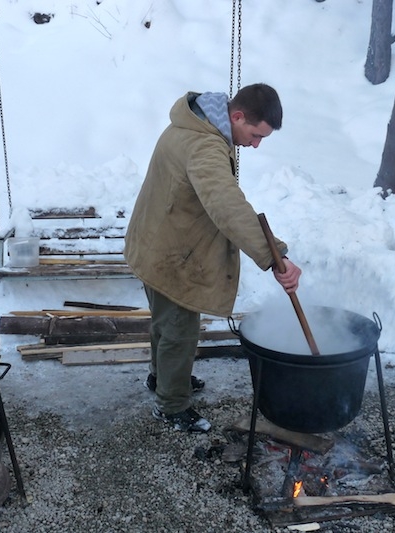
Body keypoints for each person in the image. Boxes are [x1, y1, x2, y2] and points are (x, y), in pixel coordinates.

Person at [124, 83, 302, 433]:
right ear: (237, 116)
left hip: (156, 240)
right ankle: (171, 405)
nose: (255, 144)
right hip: (170, 253)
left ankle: (163, 378)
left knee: (165, 322)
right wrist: (274, 255)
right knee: (179, 330)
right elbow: (227, 205)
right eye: (255, 134)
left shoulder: (193, 122)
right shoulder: (205, 146)